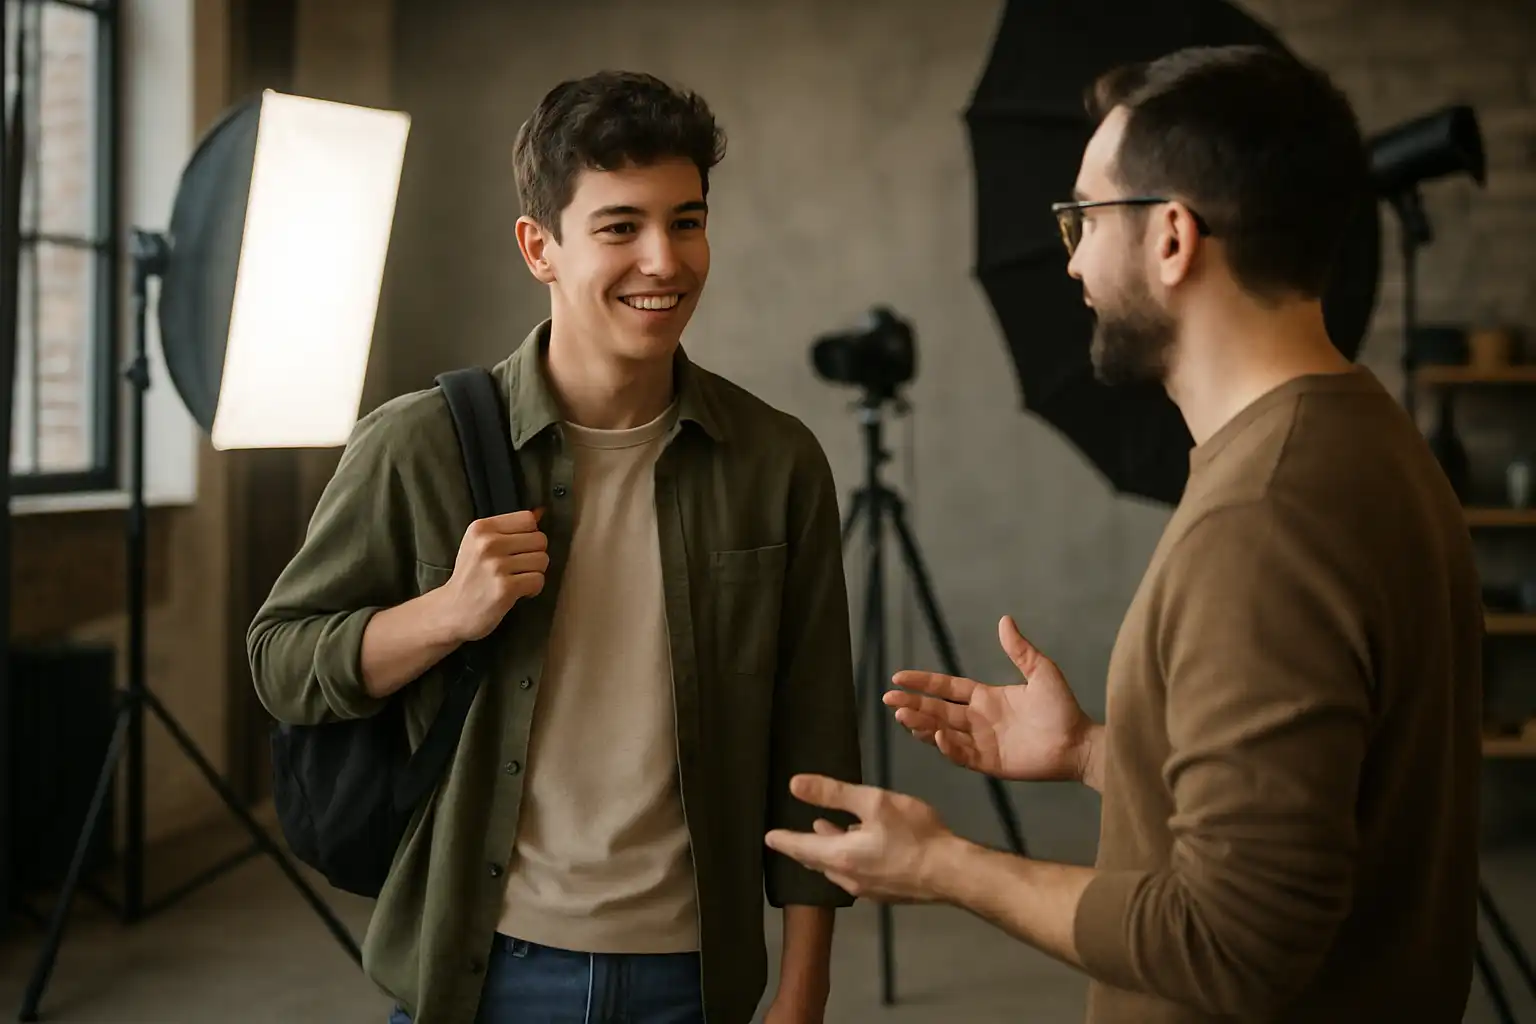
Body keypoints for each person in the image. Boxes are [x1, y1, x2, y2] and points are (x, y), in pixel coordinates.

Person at [765, 44, 1483, 1024]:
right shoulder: (1358, 436)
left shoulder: (1266, 517)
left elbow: (1231, 940)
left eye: (1085, 218)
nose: (1071, 258)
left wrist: (943, 864)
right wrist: (1103, 754)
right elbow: (1321, 796)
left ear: (1173, 237)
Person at [250, 70, 863, 1024]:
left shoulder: (775, 461)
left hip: (696, 977)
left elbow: (815, 726)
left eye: (687, 221)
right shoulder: (418, 444)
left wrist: (805, 982)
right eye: (620, 226)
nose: (664, 260)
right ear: (541, 246)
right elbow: (279, 661)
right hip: (482, 966)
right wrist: (444, 615)